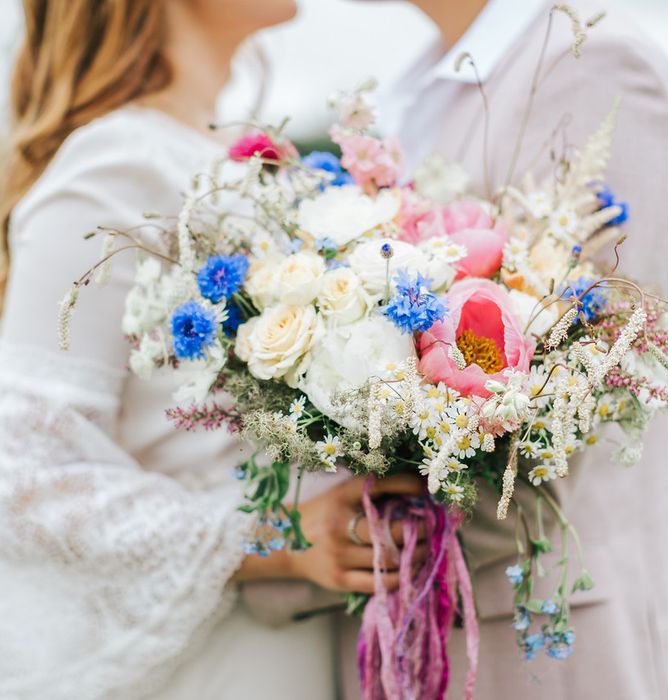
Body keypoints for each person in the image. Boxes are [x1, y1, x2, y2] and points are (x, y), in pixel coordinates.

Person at [0, 2, 424, 698]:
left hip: (295, 642)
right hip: (211, 663)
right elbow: (21, 477)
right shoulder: (118, 161)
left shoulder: (228, 162)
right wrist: (268, 539)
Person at [335, 0, 668, 697]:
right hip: (411, 627)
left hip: (545, 640)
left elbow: (593, 395)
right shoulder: (422, 82)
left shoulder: (593, 64)